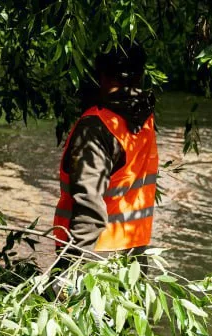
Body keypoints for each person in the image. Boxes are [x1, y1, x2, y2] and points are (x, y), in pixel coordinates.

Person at [51, 41, 158, 270]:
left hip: (95, 256)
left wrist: (69, 270)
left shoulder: (96, 127)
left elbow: (90, 205)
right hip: (134, 251)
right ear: (140, 75)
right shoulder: (142, 117)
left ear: (101, 75)